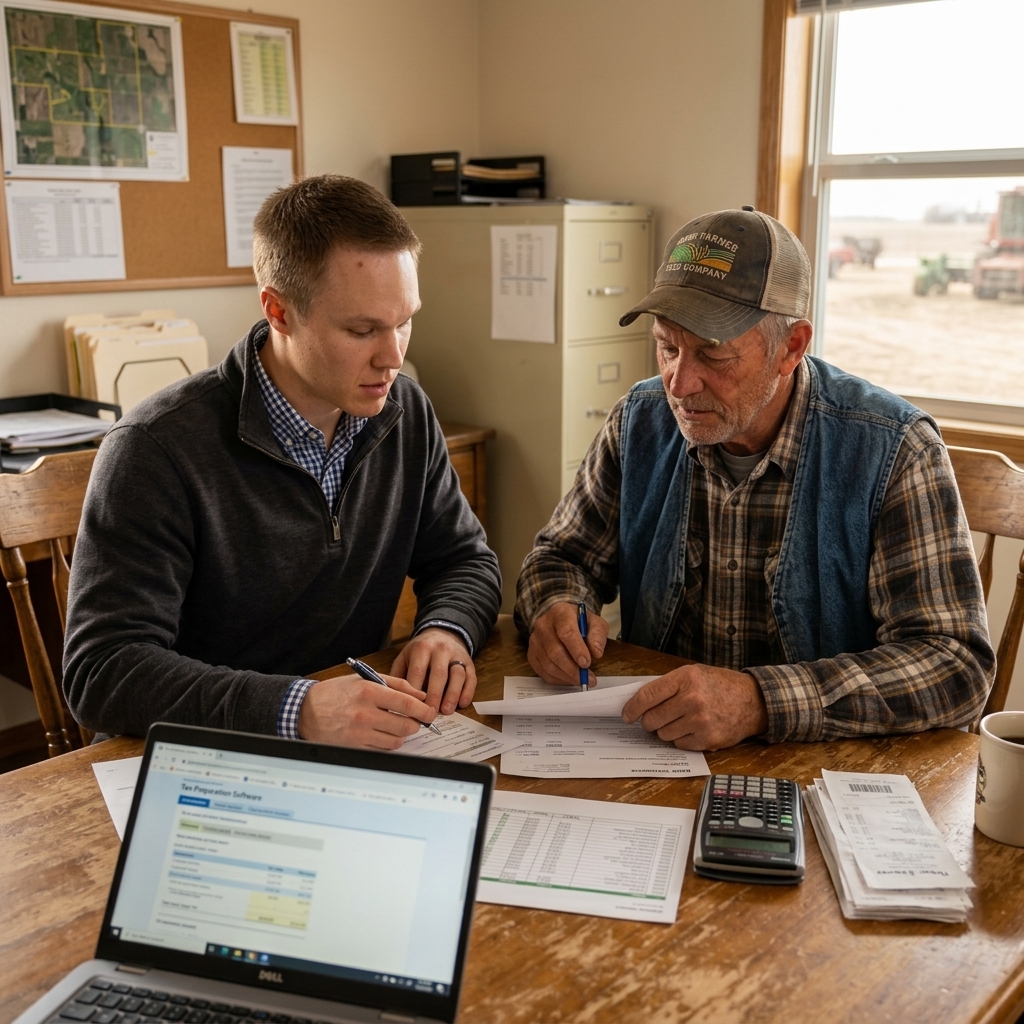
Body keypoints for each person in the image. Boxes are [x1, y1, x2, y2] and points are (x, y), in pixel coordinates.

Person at [515, 205, 993, 750]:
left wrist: (761, 702)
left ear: (791, 348)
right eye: (667, 346)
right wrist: (557, 606)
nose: (678, 382)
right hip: (658, 752)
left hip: (823, 768)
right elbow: (560, 558)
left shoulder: (894, 449)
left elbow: (955, 665)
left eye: (713, 355)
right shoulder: (638, 421)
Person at [64, 175, 502, 749]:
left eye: (405, 321)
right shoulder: (154, 448)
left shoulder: (404, 413)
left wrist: (447, 630)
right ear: (279, 311)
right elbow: (103, 671)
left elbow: (466, 560)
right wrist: (298, 710)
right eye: (362, 329)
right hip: (191, 763)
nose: (394, 356)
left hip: (347, 746)